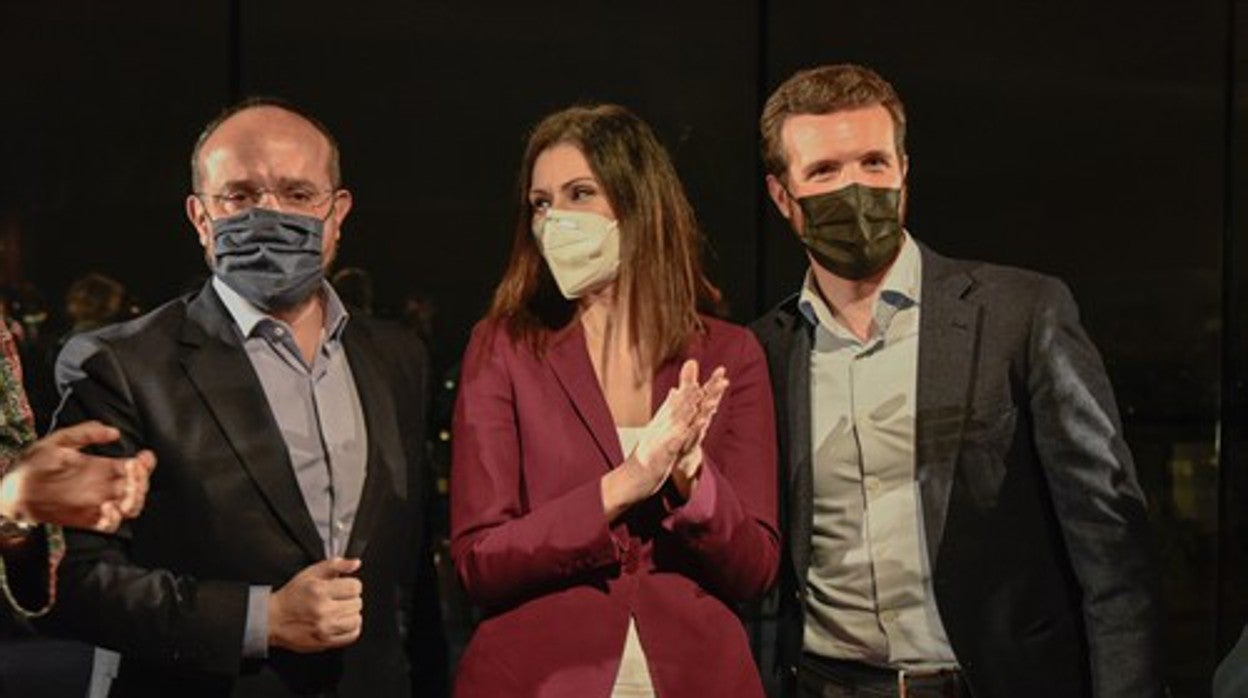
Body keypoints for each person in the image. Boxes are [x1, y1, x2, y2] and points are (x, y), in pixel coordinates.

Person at [750, 64, 1163, 697]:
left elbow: (1111, 542)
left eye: (873, 162)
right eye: (825, 172)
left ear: (904, 172)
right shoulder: (762, 352)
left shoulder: (1020, 314)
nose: (855, 187)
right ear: (783, 196)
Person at [45, 98, 446, 697]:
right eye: (239, 196)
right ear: (201, 217)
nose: (270, 214)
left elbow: (410, 572)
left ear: (338, 213)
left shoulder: (397, 358)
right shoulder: (120, 365)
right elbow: (72, 579)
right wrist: (264, 619)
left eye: (297, 193)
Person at [450, 104, 779, 697]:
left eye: (580, 194)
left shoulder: (733, 353)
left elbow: (755, 569)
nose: (556, 220)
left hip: (695, 676)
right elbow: (479, 561)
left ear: (639, 202)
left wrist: (690, 477)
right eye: (542, 204)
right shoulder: (503, 346)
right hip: (539, 678)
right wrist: (624, 483)